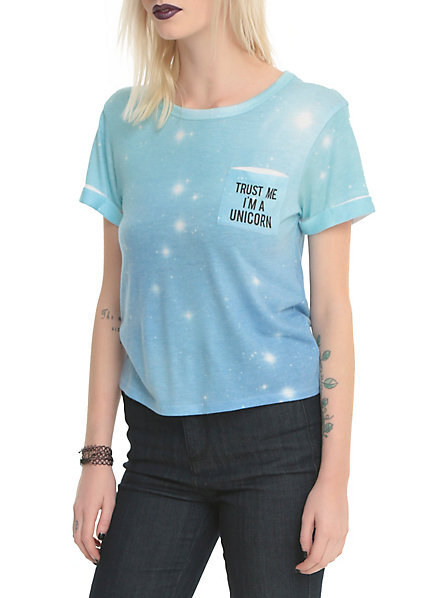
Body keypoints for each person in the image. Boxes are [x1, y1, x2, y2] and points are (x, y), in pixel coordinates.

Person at [73, 1, 375, 596]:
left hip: (277, 446)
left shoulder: (310, 117)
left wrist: (335, 478)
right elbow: (113, 303)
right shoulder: (125, 120)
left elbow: (332, 312)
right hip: (155, 446)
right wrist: (95, 458)